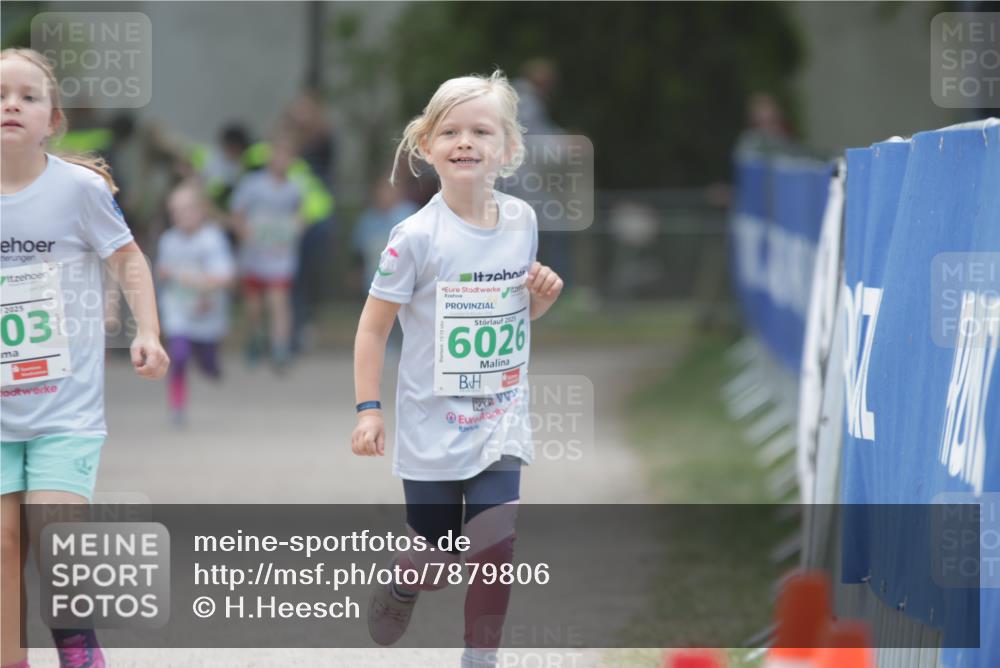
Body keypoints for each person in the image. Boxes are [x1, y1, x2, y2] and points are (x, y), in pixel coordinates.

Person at [351, 70, 564, 668]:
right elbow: (372, 328)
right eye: (450, 131)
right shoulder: (413, 237)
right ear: (426, 146)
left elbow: (513, 320)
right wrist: (369, 410)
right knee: (438, 561)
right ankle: (405, 579)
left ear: (508, 149)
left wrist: (540, 299)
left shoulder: (522, 221)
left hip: (499, 422)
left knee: (497, 549)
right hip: (430, 428)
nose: (465, 141)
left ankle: (480, 658)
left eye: (481, 131)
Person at [0, 48, 169, 668]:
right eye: (0, 95)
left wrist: (146, 330)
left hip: (62, 405)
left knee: (54, 536)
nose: (11, 105)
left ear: (53, 120)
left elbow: (127, 259)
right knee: (4, 545)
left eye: (27, 96)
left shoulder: (79, 190)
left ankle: (77, 647)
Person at [156, 181, 235, 425]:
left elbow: (225, 277)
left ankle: (211, 367)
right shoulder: (168, 240)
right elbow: (162, 272)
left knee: (207, 360)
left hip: (206, 312)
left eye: (186, 209)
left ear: (201, 210)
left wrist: (200, 286)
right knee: (178, 354)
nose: (181, 216)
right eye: (175, 211)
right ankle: (178, 407)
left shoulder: (212, 240)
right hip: (178, 308)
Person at [229, 136, 303, 371]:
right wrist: (244, 232)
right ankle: (255, 339)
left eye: (286, 156)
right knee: (253, 307)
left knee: (278, 301)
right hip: (254, 254)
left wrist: (293, 230)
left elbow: (301, 215)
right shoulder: (252, 184)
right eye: (277, 155)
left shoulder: (294, 188)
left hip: (279, 256)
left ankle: (280, 348)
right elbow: (237, 214)